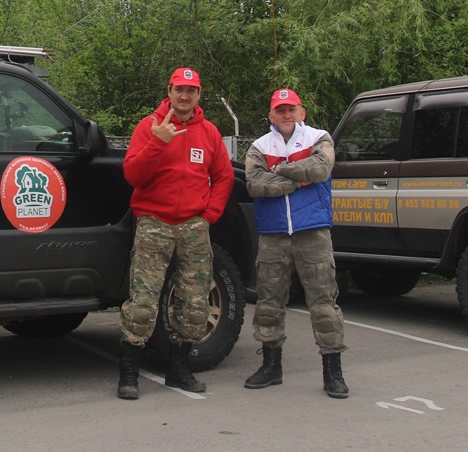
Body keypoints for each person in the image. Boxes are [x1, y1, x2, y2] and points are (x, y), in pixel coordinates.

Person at [116, 66, 234, 399]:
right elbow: (132, 175)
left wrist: (208, 215)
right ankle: (129, 374)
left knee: (194, 302)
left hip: (194, 225)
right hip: (154, 222)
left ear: (198, 95)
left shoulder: (209, 132)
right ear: (169, 91)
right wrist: (158, 142)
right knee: (143, 301)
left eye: (191, 90)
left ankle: (179, 371)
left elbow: (223, 176)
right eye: (179, 89)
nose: (184, 96)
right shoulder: (149, 126)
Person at [242, 87, 348, 398]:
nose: (287, 115)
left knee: (324, 303)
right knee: (268, 303)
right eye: (280, 110)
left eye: (292, 109)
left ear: (302, 112)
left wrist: (281, 170)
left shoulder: (319, 138)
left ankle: (333, 371)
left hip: (313, 231)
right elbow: (255, 184)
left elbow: (320, 168)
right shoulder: (259, 146)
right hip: (273, 233)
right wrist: (300, 180)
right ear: (271, 115)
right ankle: (271, 367)